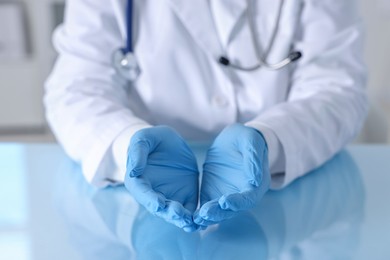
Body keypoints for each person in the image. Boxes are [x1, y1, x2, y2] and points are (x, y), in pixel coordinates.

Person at [45, 0, 368, 232]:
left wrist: (270, 140)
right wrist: (126, 143)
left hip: (290, 191)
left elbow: (337, 87)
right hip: (137, 203)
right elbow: (76, 89)